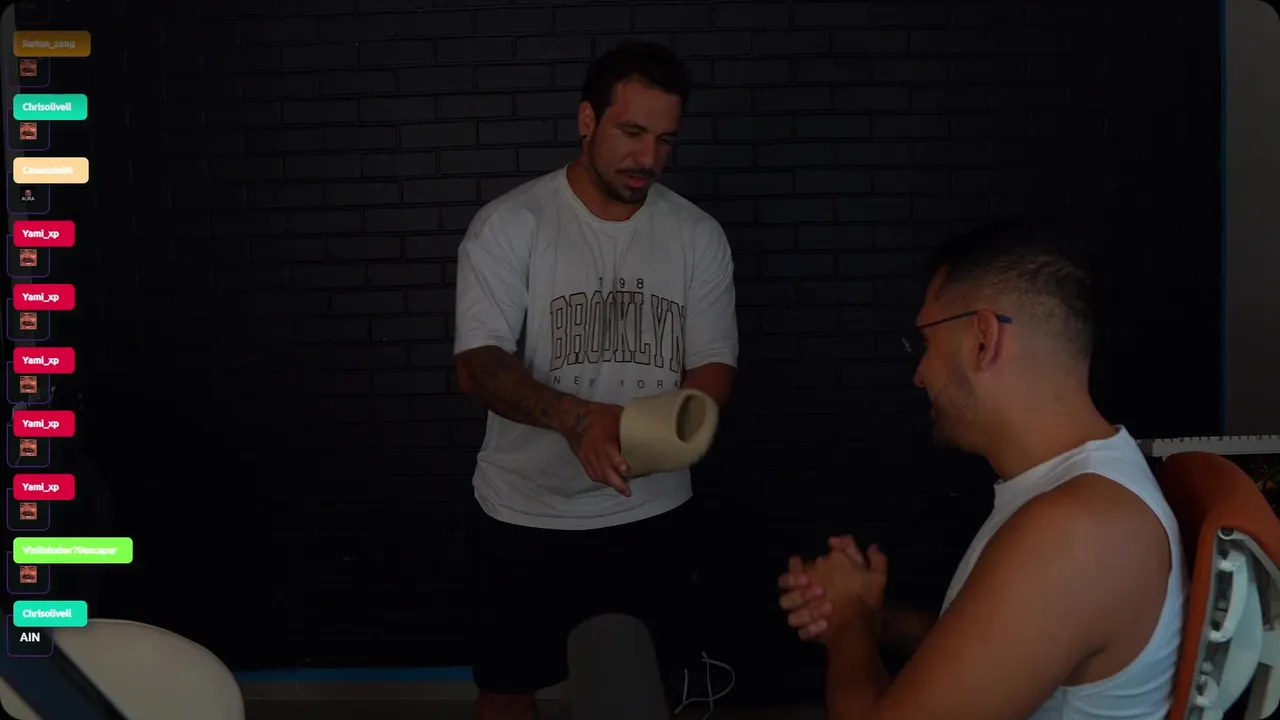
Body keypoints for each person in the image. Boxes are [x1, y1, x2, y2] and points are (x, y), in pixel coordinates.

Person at [777, 221, 1185, 720]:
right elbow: (1007, 656)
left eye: (926, 343)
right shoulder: (1080, 498)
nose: (919, 374)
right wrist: (876, 617)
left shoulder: (1077, 531)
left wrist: (847, 623)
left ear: (982, 339)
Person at [453, 41, 738, 720]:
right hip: (525, 511)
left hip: (652, 512)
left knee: (648, 691)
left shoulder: (696, 235)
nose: (648, 157)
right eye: (632, 132)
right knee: (506, 690)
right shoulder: (511, 225)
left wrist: (657, 440)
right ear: (588, 120)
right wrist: (580, 420)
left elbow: (712, 365)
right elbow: (478, 364)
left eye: (665, 140)